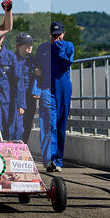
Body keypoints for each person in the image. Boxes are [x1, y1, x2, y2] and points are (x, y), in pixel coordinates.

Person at [35, 22, 75, 172]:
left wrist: (58, 47)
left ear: (63, 34)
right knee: (48, 123)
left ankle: (58, 160)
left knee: (60, 124)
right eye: (53, 35)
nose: (56, 38)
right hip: (47, 88)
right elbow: (37, 69)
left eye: (58, 35)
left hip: (63, 87)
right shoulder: (42, 48)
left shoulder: (69, 46)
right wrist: (36, 89)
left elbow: (66, 63)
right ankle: (49, 159)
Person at [13, 33, 38, 144]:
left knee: (28, 124)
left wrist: (38, 91)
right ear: (18, 45)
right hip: (16, 98)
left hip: (30, 97)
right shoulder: (12, 59)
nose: (30, 47)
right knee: (17, 126)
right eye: (26, 44)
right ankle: (14, 148)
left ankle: (24, 148)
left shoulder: (34, 60)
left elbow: (39, 78)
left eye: (31, 44)